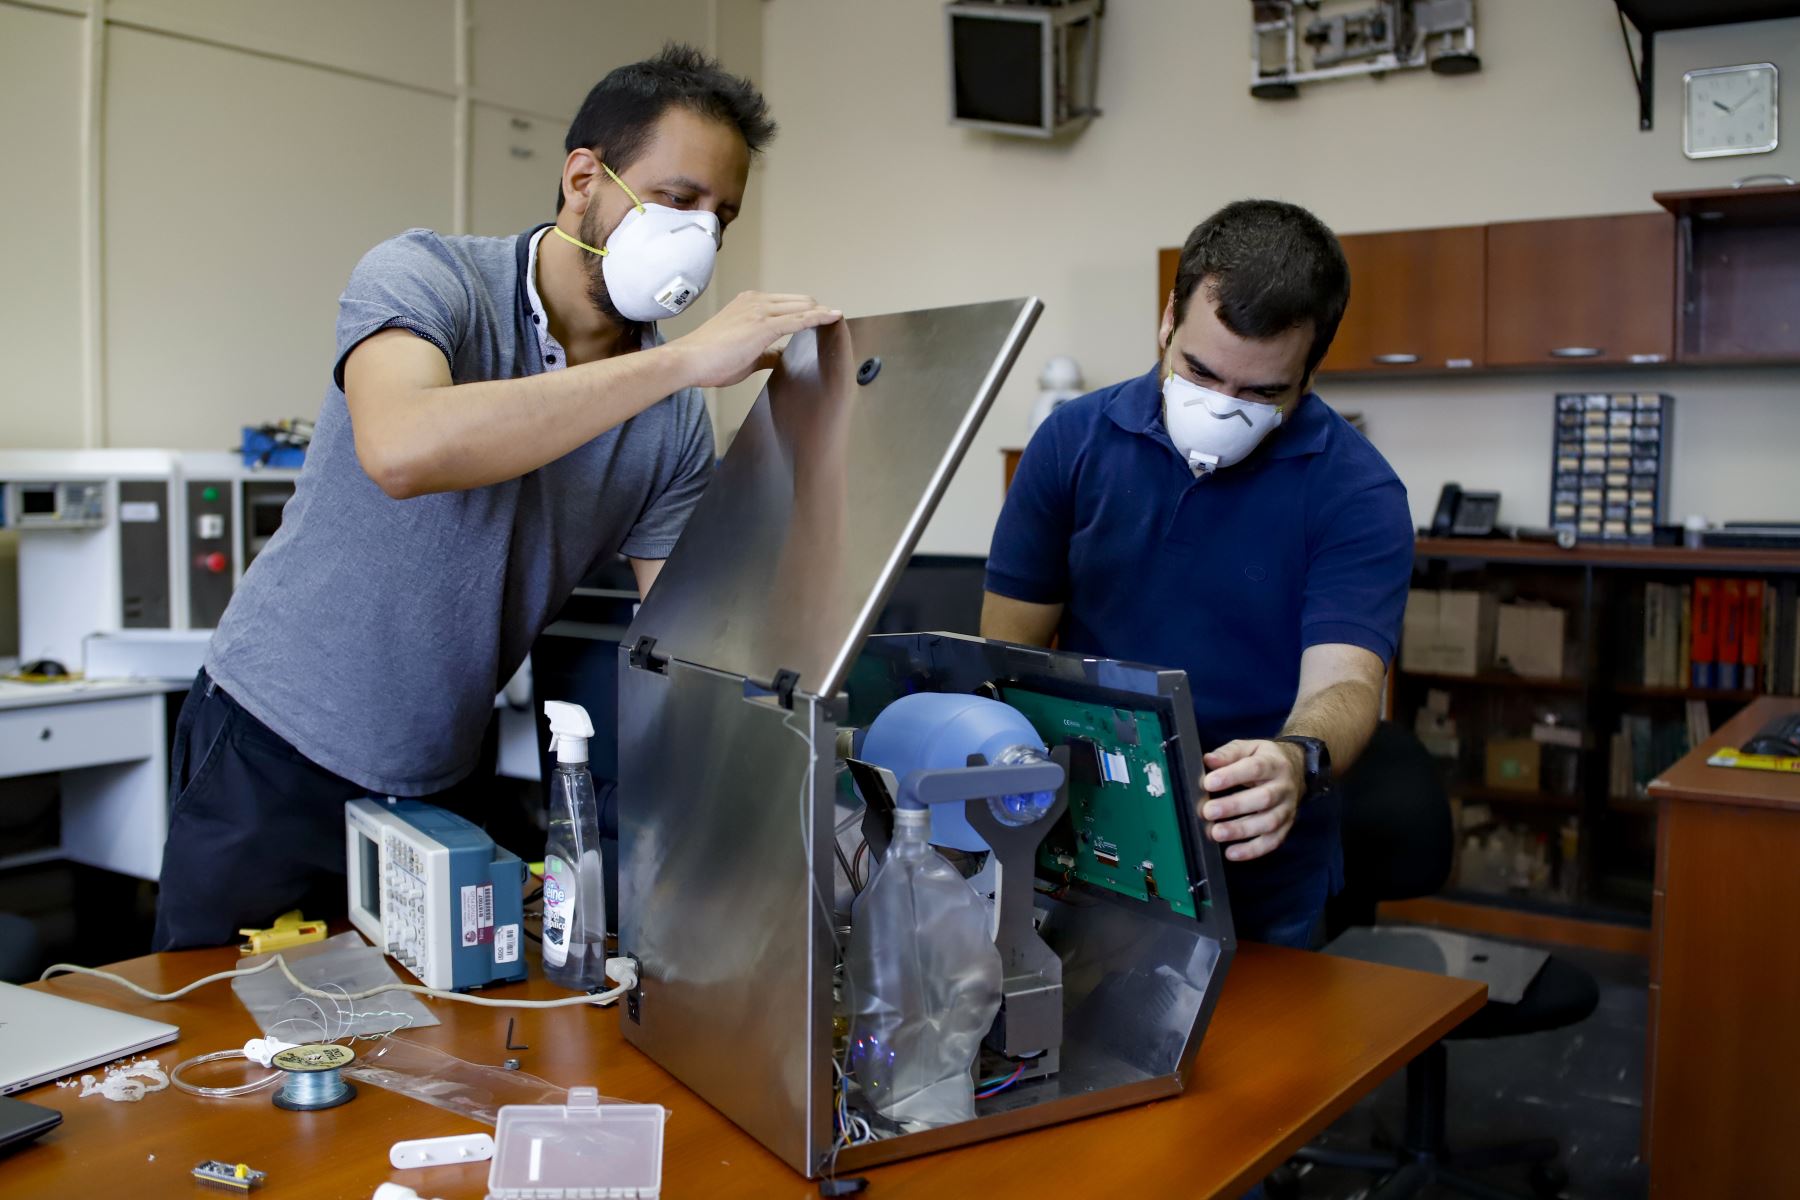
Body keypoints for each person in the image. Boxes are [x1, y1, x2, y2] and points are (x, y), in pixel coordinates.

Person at [152, 46, 840, 950]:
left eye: (722, 216)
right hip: (270, 746)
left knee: (428, 1053)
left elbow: (688, 637)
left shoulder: (672, 421)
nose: (699, 239)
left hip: (442, 770)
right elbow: (403, 447)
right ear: (584, 178)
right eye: (676, 201)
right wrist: (680, 361)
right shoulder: (425, 279)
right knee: (223, 1046)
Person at [981, 199, 1412, 949]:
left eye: (1260, 393)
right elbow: (1002, 660)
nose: (1220, 408)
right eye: (1200, 372)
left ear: (1308, 377)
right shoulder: (1072, 446)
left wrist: (1294, 760)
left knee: (1262, 1063)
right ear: (1166, 324)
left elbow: (1345, 686)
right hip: (1083, 841)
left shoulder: (1357, 493)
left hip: (1258, 870)